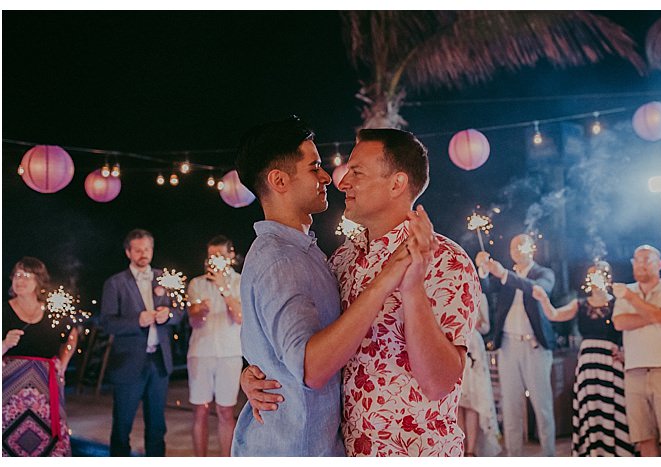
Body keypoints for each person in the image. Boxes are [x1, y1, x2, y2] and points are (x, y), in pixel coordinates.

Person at [238, 121, 479, 457]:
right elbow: (306, 344)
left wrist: (412, 291)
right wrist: (254, 372)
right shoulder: (342, 260)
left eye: (358, 173)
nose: (342, 181)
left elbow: (440, 383)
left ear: (397, 183)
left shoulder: (444, 261)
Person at [532, 260, 636, 456]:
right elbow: (554, 315)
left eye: (601, 273)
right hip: (588, 366)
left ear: (608, 277)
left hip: (610, 365)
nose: (596, 277)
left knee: (613, 407)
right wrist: (543, 298)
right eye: (592, 273)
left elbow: (631, 332)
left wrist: (626, 353)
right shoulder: (579, 304)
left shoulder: (619, 303)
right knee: (592, 409)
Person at [100, 229, 184, 456]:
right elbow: (107, 323)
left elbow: (180, 312)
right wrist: (137, 320)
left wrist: (169, 315)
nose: (143, 253)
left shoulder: (164, 278)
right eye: (138, 249)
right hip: (128, 363)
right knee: (122, 426)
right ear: (128, 252)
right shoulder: (115, 283)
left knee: (157, 425)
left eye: (147, 248)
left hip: (159, 362)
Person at [475, 234, 556, 456]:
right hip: (508, 345)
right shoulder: (506, 277)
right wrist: (483, 269)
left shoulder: (543, 273)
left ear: (532, 249)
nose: (517, 250)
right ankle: (513, 455)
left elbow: (538, 289)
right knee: (511, 406)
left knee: (543, 406)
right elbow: (487, 288)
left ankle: (549, 454)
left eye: (521, 246)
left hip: (535, 346)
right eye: (513, 247)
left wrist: (504, 274)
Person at [2, 257, 78, 456]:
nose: (20, 280)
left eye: (27, 276)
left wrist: (63, 362)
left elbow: (71, 335)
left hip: (46, 388)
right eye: (17, 275)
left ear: (39, 281)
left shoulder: (53, 310)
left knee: (46, 440)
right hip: (9, 391)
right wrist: (3, 345)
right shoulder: (1, 311)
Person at [612, 245, 661, 457]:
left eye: (646, 260)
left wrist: (632, 300)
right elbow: (619, 323)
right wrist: (655, 315)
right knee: (643, 436)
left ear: (659, 264)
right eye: (636, 260)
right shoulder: (626, 291)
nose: (640, 265)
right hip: (634, 370)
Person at [186, 235, 243, 456]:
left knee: (225, 411)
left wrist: (223, 288)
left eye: (219, 255)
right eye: (211, 256)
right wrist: (199, 310)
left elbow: (240, 317)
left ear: (230, 255)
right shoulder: (197, 284)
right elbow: (193, 319)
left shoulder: (239, 281)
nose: (215, 260)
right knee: (200, 409)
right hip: (201, 352)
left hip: (230, 353)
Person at [458, 293, 502, 457]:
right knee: (457, 403)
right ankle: (459, 449)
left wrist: (476, 321)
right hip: (452, 341)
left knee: (473, 402)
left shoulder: (480, 295)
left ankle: (471, 451)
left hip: (473, 348)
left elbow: (486, 327)